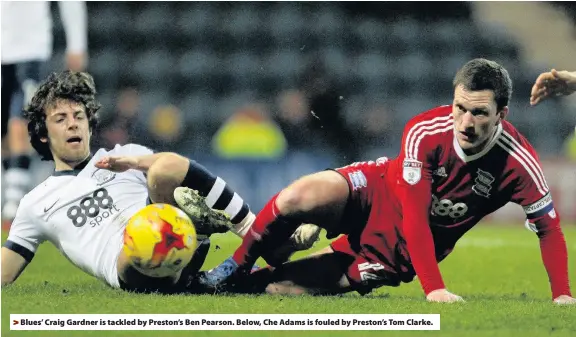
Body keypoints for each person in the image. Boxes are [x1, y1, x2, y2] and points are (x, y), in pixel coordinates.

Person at [201, 58, 575, 305]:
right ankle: (232, 265)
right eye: (459, 108)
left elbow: (549, 229)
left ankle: (239, 276)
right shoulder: (425, 131)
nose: (465, 122)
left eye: (479, 113)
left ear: (500, 114)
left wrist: (562, 295)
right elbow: (414, 212)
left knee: (279, 287)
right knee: (300, 195)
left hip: (397, 251)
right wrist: (435, 288)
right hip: (378, 190)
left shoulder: (518, 162)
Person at [0, 71, 321, 294]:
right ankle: (200, 226)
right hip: (130, 266)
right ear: (43, 133)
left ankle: (258, 234)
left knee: (164, 168)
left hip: (175, 247)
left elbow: (171, 168)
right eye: (61, 119)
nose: (73, 125)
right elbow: (5, 273)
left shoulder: (125, 154)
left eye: (79, 116)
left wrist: (135, 163)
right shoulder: (36, 203)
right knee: (144, 226)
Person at [1, 1, 88, 223]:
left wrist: (77, 44)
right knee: (3, 126)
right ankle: (12, 185)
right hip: (4, 48)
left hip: (32, 48)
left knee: (19, 116)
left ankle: (14, 197)